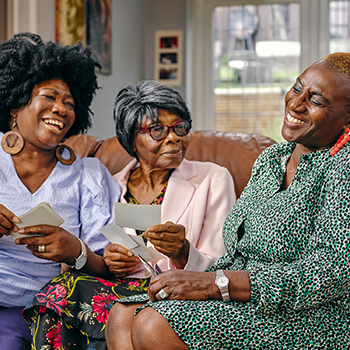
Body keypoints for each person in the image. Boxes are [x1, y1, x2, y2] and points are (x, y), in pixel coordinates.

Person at [105, 53, 350, 350]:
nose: (296, 103)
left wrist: (214, 284)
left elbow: (331, 272)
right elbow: (236, 255)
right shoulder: (272, 159)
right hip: (246, 299)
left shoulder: (342, 166)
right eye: (298, 88)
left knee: (152, 323)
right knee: (121, 314)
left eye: (317, 100)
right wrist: (196, 276)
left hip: (309, 316)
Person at [24, 80, 236, 349]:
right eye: (157, 130)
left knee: (72, 295)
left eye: (180, 127)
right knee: (57, 291)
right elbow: (96, 254)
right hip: (121, 289)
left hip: (179, 292)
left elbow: (225, 264)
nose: (174, 137)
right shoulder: (110, 184)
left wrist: (182, 251)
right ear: (131, 138)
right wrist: (109, 260)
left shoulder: (213, 178)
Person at [0, 33, 121, 349]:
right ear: (15, 104)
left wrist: (76, 251)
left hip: (36, 309)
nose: (61, 109)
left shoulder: (88, 176)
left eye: (69, 103)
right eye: (49, 97)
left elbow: (110, 265)